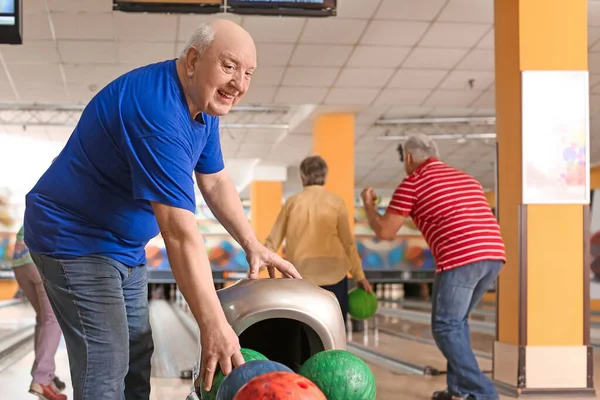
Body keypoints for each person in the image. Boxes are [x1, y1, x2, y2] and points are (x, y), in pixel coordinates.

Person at [23, 19, 301, 400]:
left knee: (137, 358)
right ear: (192, 61)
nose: (240, 83)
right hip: (74, 240)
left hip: (124, 245)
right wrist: (213, 325)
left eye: (248, 72)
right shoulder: (158, 113)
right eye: (230, 66)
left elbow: (215, 181)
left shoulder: (202, 108)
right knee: (107, 361)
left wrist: (251, 242)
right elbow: (179, 233)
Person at [360, 134, 505, 400]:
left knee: (446, 326)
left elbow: (385, 231)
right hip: (494, 255)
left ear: (408, 158)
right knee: (457, 323)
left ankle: (484, 394)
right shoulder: (468, 179)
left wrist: (369, 206)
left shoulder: (413, 183)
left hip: (461, 258)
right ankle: (458, 390)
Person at [265, 155, 373, 327]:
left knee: (301, 330)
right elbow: (348, 244)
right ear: (325, 176)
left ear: (302, 177)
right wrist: (360, 276)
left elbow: (273, 240)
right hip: (335, 276)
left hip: (300, 277)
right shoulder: (336, 202)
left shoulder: (292, 203)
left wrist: (257, 264)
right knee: (334, 330)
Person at [11, 225, 66, 400]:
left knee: (43, 319)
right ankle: (42, 378)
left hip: (20, 262)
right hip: (39, 261)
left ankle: (44, 375)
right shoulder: (64, 200)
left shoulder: (39, 199)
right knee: (53, 319)